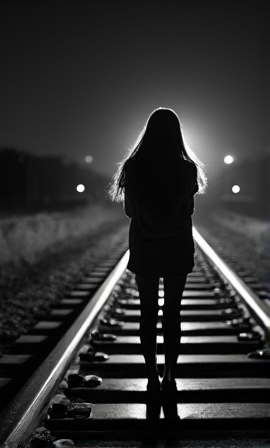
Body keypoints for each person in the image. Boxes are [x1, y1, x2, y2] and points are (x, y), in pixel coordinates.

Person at [109, 107, 207, 416]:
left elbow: (128, 212)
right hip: (176, 247)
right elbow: (188, 211)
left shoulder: (134, 167)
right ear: (177, 133)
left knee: (148, 312)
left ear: (148, 132)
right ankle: (169, 377)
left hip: (146, 248)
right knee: (173, 312)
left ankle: (151, 376)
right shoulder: (188, 169)